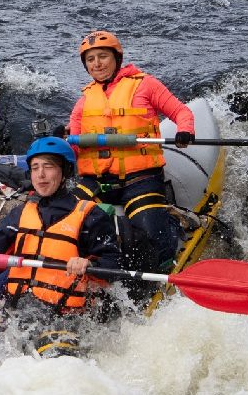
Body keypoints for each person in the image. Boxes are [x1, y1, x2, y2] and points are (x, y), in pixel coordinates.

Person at [0, 136, 121, 358]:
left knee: (54, 361)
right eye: (35, 167)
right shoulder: (20, 214)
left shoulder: (90, 215)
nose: (41, 175)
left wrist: (88, 265)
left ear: (65, 171)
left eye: (48, 166)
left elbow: (112, 268)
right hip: (17, 315)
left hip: (65, 319)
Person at [67, 30, 194, 275]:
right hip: (98, 181)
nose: (97, 64)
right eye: (90, 59)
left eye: (103, 56)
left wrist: (185, 131)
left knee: (151, 237)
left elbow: (181, 112)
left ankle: (172, 223)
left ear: (117, 58)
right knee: (67, 222)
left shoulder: (145, 85)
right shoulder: (84, 100)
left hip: (141, 179)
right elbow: (73, 145)